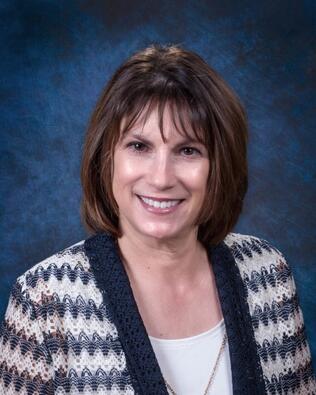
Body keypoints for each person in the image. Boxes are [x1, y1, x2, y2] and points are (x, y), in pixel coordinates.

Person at [0, 44, 314, 395]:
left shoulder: (268, 275)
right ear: (107, 158)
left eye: (188, 150)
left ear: (219, 167)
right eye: (139, 146)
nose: (162, 178)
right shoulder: (45, 300)